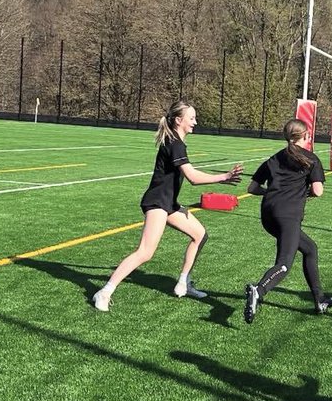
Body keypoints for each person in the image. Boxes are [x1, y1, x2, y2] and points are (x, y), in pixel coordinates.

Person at [92, 101, 242, 311]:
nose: (195, 122)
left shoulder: (176, 141)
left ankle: (184, 282)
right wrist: (223, 177)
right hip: (157, 202)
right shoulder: (175, 144)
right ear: (179, 120)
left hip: (168, 203)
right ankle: (104, 292)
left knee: (200, 235)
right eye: (191, 118)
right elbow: (192, 177)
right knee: (145, 252)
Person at [243, 118, 332, 323]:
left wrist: (272, 193)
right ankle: (259, 290)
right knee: (284, 263)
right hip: (288, 216)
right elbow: (318, 191)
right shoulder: (310, 159)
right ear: (306, 135)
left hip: (268, 215)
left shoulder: (274, 158)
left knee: (310, 249)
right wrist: (301, 194)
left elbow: (252, 188)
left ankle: (320, 299)